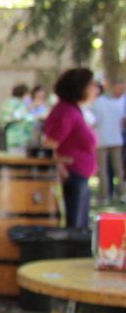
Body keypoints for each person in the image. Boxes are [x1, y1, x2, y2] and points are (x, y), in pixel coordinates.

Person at [44, 67, 99, 229]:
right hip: (72, 177)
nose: (95, 89)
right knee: (73, 226)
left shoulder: (73, 110)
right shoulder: (67, 112)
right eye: (92, 85)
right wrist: (61, 170)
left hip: (79, 175)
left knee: (79, 225)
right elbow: (49, 145)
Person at [91, 80, 124, 204]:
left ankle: (104, 195)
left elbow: (93, 121)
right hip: (115, 139)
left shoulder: (97, 103)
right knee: (118, 169)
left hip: (102, 139)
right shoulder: (116, 103)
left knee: (103, 170)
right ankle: (121, 194)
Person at [0, 82, 33, 152]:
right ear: (23, 93)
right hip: (17, 139)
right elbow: (20, 117)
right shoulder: (19, 104)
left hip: (5, 137)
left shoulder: (7, 102)